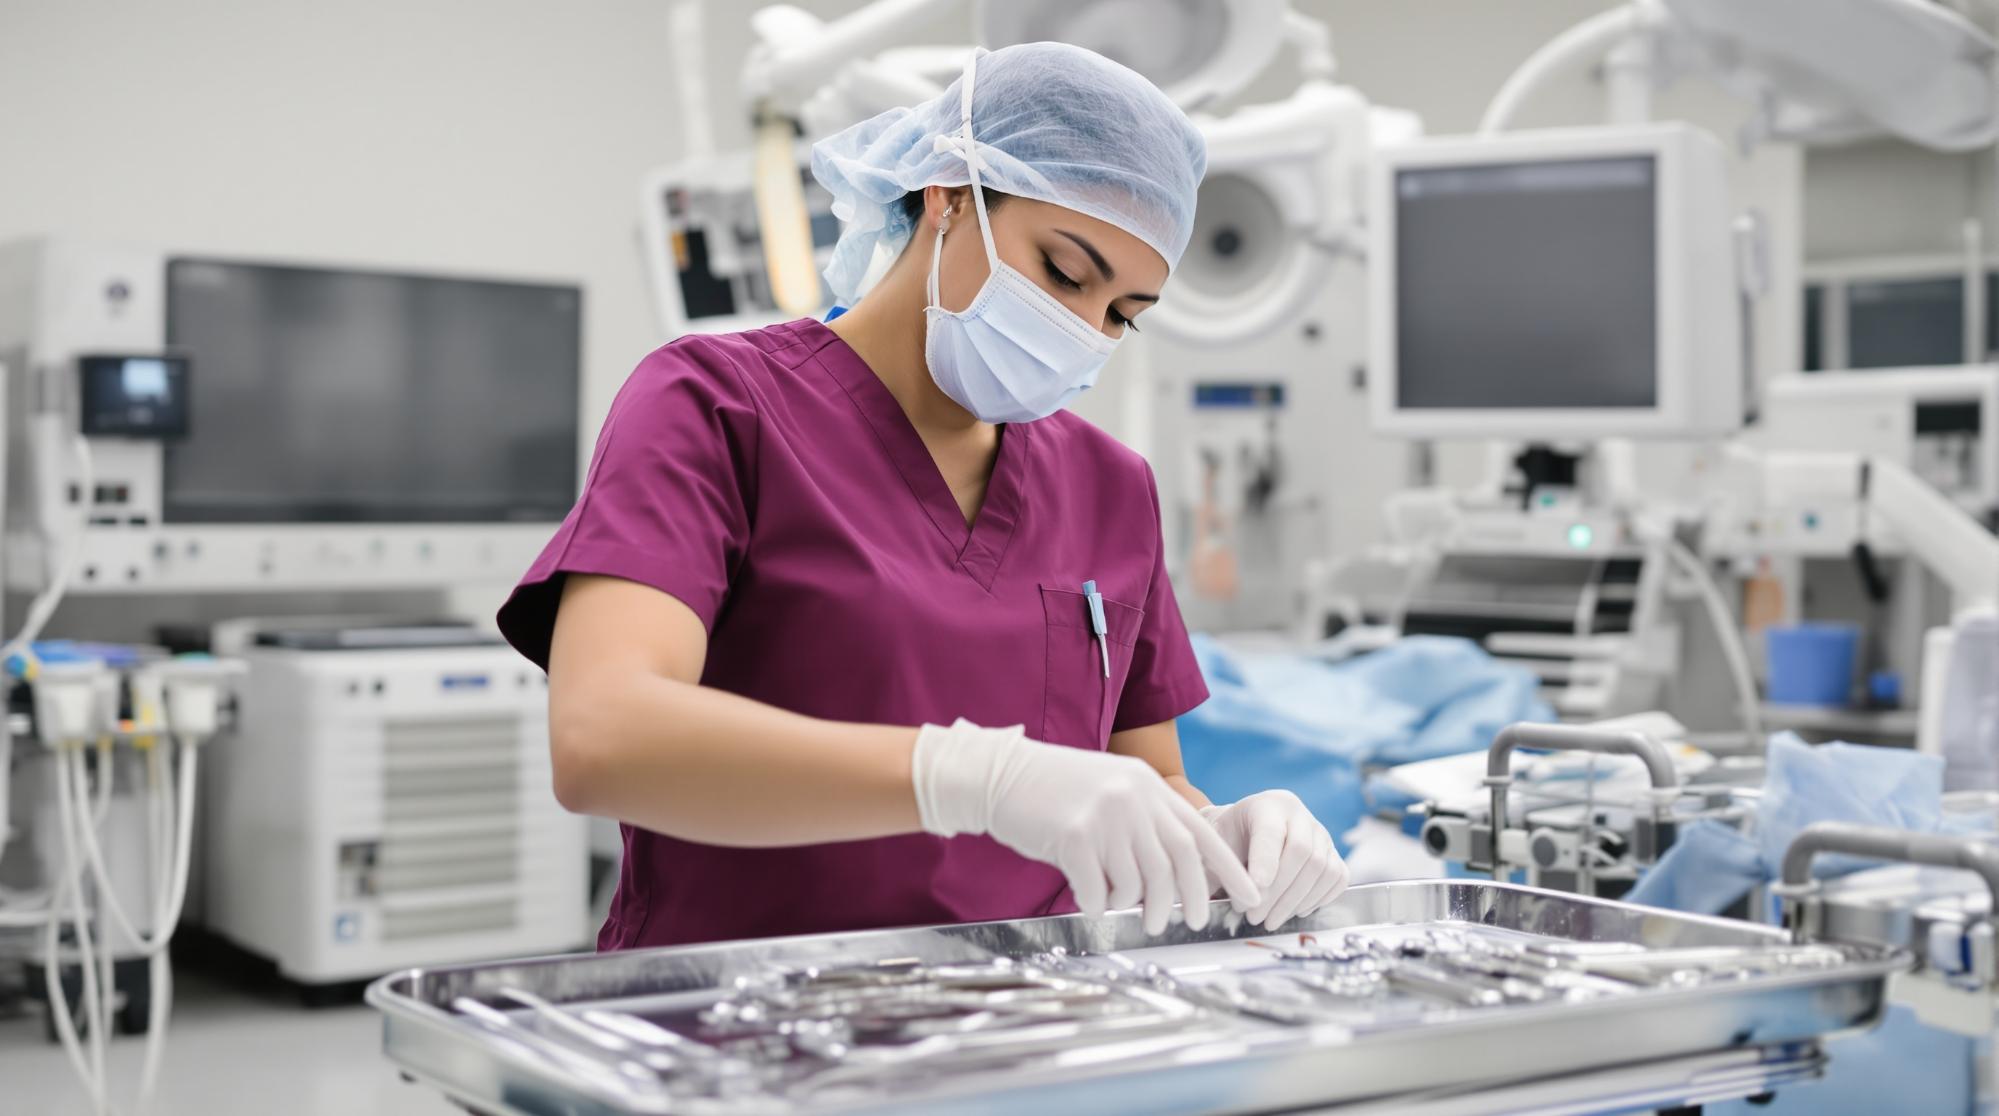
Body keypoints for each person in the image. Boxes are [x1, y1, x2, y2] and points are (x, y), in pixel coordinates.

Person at [497, 41, 1347, 950]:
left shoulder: (1110, 486)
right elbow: (604, 738)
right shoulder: (713, 406)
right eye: (1064, 272)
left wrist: (1221, 836)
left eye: (1122, 314)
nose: (1082, 330)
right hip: (740, 1028)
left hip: (1023, 1032)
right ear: (946, 191)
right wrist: (968, 777)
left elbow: (1142, 787)